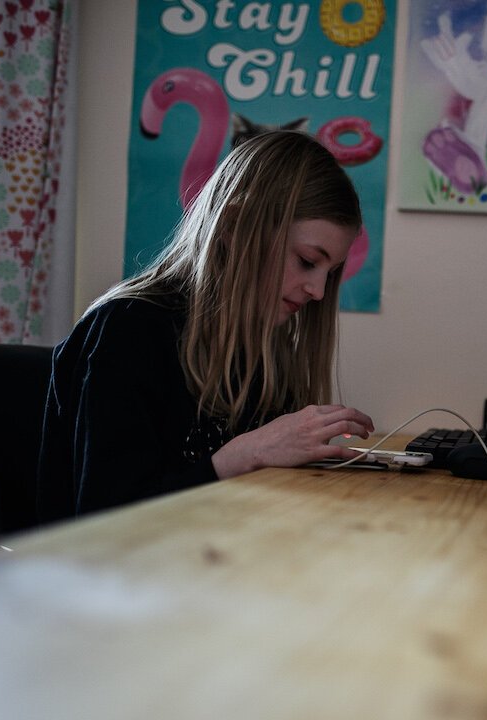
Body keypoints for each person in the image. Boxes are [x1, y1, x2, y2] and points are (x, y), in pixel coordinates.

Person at [37, 131, 375, 522]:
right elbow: (106, 520)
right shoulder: (127, 330)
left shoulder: (265, 346)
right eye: (306, 261)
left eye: (329, 273)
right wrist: (243, 456)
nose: (317, 291)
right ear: (234, 226)